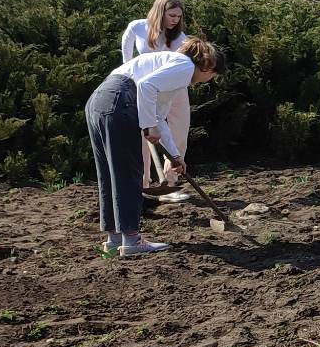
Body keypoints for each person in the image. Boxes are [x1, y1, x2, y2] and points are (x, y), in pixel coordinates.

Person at [86, 36, 222, 255]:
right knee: (129, 173)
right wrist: (148, 126)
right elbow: (145, 87)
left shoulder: (169, 66)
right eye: (212, 78)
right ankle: (131, 241)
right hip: (120, 100)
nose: (207, 81)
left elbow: (159, 117)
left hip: (99, 101)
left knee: (110, 174)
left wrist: (176, 157)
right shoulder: (184, 66)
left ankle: (113, 239)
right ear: (209, 69)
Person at [121, 0, 191, 196]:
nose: (175, 20)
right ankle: (143, 184)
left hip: (173, 89)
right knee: (145, 133)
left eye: (179, 16)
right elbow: (126, 51)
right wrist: (129, 74)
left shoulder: (180, 38)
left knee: (178, 130)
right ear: (160, 12)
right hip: (143, 88)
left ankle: (171, 181)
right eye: (172, 15)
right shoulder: (137, 27)